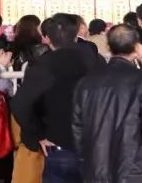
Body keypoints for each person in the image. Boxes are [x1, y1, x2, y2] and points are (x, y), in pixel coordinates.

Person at [71, 24, 142, 183]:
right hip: (136, 171)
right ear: (136, 47)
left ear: (109, 47)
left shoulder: (86, 82)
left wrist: (87, 160)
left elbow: (78, 129)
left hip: (96, 169)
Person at [9, 13, 91, 183]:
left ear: (46, 38)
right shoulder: (95, 61)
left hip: (58, 143)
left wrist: (37, 134)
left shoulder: (43, 65)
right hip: (95, 145)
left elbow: (20, 104)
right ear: (77, 33)